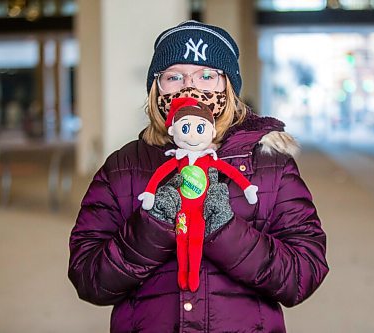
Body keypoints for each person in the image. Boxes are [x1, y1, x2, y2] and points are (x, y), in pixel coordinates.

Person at [68, 20, 329, 333]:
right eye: (174, 76)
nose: (190, 88)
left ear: (228, 88)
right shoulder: (121, 167)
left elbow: (305, 272)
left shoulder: (272, 166)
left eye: (207, 75)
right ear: (156, 88)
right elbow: (88, 277)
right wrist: (153, 226)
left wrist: (226, 232)